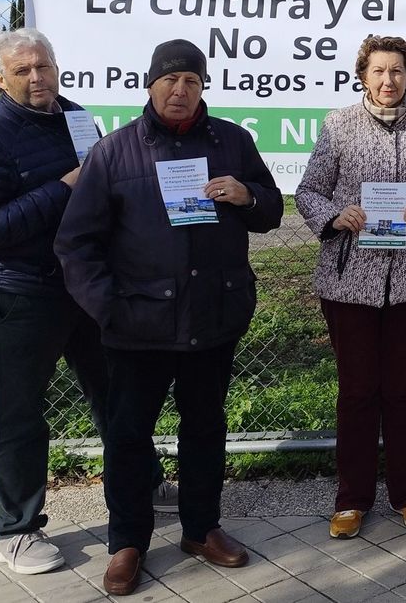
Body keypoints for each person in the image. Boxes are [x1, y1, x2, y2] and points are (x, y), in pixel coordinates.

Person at [55, 39, 283, 596]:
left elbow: (273, 211)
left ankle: (201, 529)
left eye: (192, 82)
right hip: (138, 328)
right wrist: (111, 308)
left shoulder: (233, 141)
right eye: (170, 81)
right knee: (129, 435)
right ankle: (127, 542)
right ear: (150, 85)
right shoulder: (113, 153)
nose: (180, 91)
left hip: (214, 318)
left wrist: (246, 194)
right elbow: (76, 244)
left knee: (205, 428)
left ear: (204, 87)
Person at [0, 29, 175, 576]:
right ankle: (16, 529)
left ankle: (141, 484)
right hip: (16, 291)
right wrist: (63, 188)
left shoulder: (77, 118)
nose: (37, 78)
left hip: (84, 286)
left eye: (43, 66)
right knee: (18, 411)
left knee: (116, 393)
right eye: (22, 71)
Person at [294, 36, 406, 540]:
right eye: (379, 71)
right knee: (358, 393)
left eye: (398, 71)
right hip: (349, 282)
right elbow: (307, 191)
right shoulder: (338, 124)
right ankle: (352, 499)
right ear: (362, 75)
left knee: (403, 392)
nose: (388, 81)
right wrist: (335, 215)